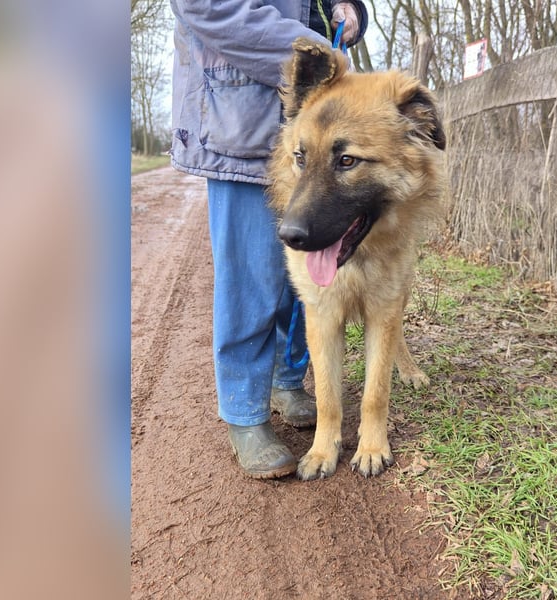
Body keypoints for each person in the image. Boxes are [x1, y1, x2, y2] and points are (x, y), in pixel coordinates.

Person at [168, 0, 368, 479]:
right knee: (252, 274)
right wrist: (321, 56)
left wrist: (352, 10)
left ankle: (285, 378)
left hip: (313, 128)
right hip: (243, 119)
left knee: (306, 268)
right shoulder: (317, 61)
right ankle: (244, 411)